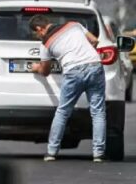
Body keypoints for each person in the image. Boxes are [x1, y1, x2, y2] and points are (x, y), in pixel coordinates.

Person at [29, 14, 106, 163]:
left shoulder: (46, 44)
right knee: (98, 112)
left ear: (39, 29)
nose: (37, 36)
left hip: (73, 72)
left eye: (36, 33)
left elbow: (45, 71)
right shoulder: (74, 24)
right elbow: (95, 40)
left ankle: (52, 152)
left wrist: (36, 68)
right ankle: (98, 154)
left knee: (63, 112)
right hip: (95, 65)